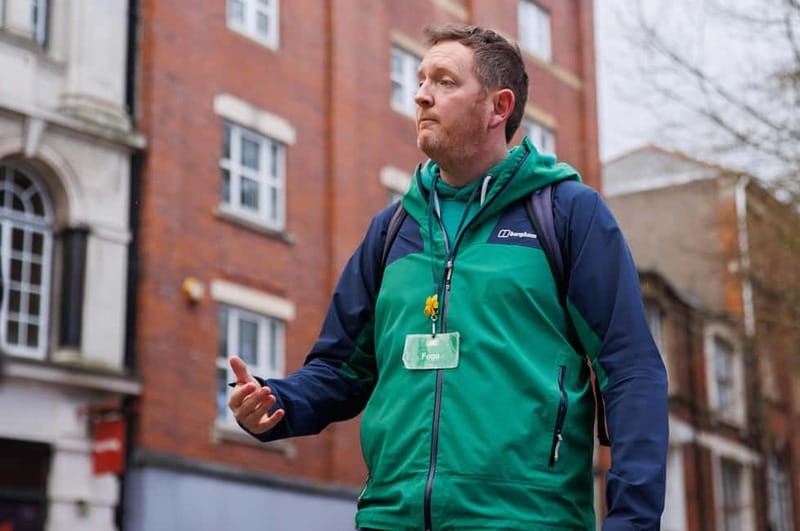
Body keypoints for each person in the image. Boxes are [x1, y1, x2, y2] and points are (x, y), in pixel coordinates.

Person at [228, 24, 668, 530]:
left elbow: (631, 371)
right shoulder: (393, 229)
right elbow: (341, 371)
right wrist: (276, 402)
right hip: (391, 519)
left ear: (498, 108)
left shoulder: (567, 214)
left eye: (444, 81)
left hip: (526, 519)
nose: (420, 95)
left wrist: (633, 520)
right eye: (420, 80)